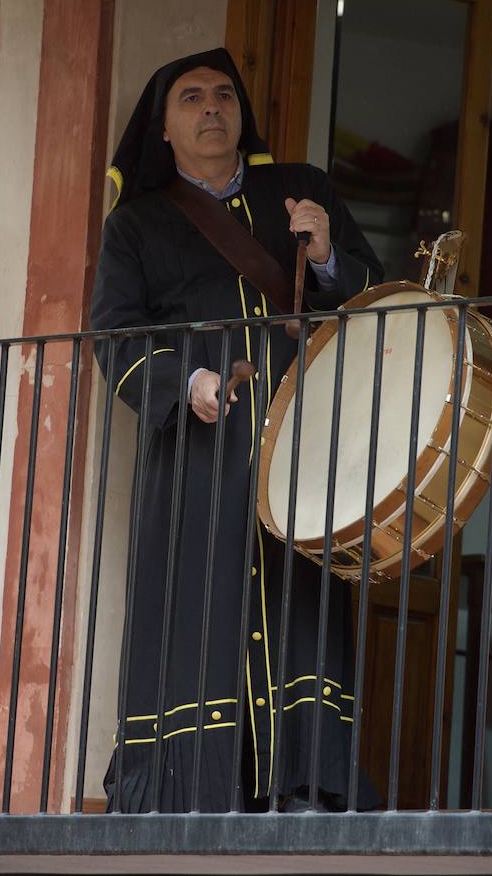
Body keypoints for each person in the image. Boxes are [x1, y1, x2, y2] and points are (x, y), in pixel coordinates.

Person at [91, 48, 383, 813]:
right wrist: (186, 382)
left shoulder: (303, 193)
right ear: (164, 128)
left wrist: (326, 257)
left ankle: (308, 785)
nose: (212, 107)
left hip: (302, 452)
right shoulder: (135, 226)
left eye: (224, 94)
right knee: (201, 620)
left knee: (301, 616)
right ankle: (188, 792)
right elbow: (113, 335)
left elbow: (373, 300)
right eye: (191, 98)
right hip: (198, 460)